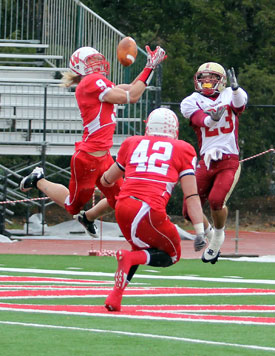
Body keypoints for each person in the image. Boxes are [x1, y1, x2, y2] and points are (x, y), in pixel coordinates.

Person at [19, 45, 167, 236]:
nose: (97, 64)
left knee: (120, 199)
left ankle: (87, 218)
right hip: (87, 158)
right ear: (79, 66)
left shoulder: (98, 82)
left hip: (103, 156)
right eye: (91, 61)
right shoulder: (90, 81)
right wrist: (150, 67)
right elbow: (132, 96)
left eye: (98, 59)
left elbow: (131, 88)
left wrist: (149, 66)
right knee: (72, 206)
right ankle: (38, 180)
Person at [99, 107, 205, 312]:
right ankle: (127, 262)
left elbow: (107, 179)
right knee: (172, 255)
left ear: (148, 126)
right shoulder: (183, 149)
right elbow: (191, 195)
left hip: (123, 207)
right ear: (174, 130)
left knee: (141, 248)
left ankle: (115, 297)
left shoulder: (132, 143)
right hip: (148, 209)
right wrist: (199, 231)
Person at [180, 62, 248, 264]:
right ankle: (212, 235)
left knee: (216, 200)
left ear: (222, 81)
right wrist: (211, 119)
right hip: (207, 160)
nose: (206, 82)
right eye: (203, 78)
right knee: (188, 211)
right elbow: (199, 119)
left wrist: (235, 90)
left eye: (211, 78)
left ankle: (218, 236)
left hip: (229, 159)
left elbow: (239, 105)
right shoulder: (190, 101)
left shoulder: (231, 93)